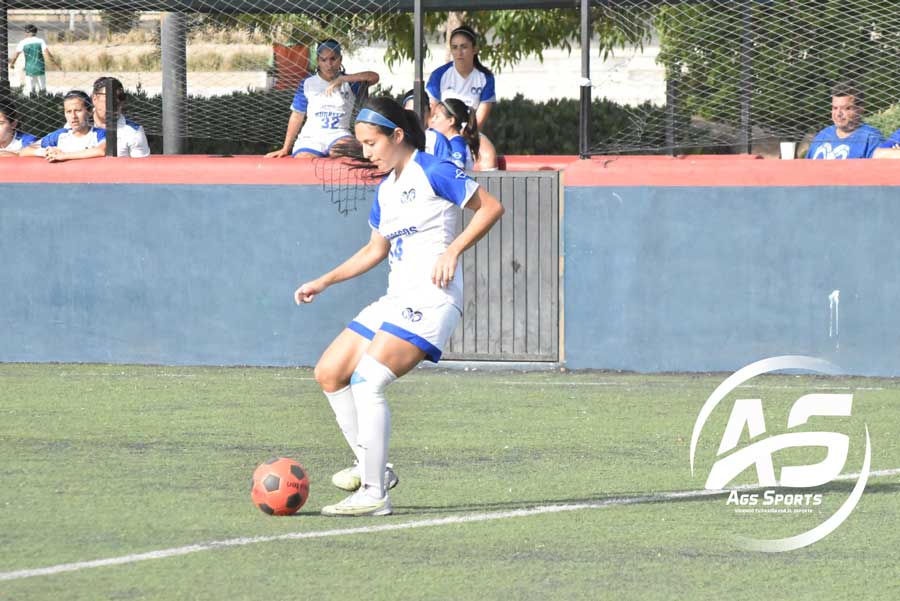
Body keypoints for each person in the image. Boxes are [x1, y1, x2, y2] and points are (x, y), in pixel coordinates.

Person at [295, 96, 504, 517]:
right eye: (362, 146)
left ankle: (374, 493)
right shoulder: (386, 190)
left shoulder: (433, 169)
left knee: (367, 381)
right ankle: (375, 467)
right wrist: (324, 280)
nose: (367, 154)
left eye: (372, 143)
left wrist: (453, 251)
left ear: (397, 135)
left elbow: (491, 208)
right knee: (330, 372)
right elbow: (374, 250)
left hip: (431, 300)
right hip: (396, 300)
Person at [266, 39, 379, 159]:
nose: (329, 64)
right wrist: (285, 148)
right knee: (304, 159)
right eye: (324, 59)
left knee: (347, 157)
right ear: (318, 61)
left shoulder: (350, 82)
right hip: (311, 137)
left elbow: (374, 77)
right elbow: (297, 115)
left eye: (333, 59)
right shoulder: (308, 83)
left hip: (339, 135)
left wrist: (342, 79)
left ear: (340, 60)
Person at [425, 26, 498, 170]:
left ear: (475, 49)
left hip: (470, 131)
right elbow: (431, 113)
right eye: (455, 47)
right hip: (441, 129)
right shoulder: (439, 75)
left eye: (464, 47)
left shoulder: (485, 78)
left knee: (488, 154)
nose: (459, 52)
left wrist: (464, 135)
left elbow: (480, 117)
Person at [20, 90, 106, 162]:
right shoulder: (60, 135)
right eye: (68, 112)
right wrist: (45, 152)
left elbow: (101, 150)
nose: (73, 116)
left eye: (78, 111)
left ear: (89, 111)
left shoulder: (100, 134)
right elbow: (24, 151)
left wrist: (64, 155)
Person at [806, 83, 882, 159]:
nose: (838, 114)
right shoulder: (822, 135)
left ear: (860, 109)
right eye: (835, 108)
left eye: (846, 108)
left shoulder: (871, 138)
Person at [91, 77, 150, 158]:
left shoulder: (133, 132)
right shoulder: (75, 125)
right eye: (109, 98)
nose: (116, 103)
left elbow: (142, 168)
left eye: (120, 98)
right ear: (94, 99)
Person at [8, 24, 61, 95]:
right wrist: (55, 64)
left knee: (31, 90)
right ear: (35, 32)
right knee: (42, 89)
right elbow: (48, 54)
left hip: (29, 69)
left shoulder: (23, 42)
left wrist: (12, 64)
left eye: (25, 32)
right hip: (40, 68)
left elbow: (16, 55)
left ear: (27, 32)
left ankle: (33, 102)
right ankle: (43, 102)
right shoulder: (40, 41)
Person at [429, 98, 479, 170]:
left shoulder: (456, 145)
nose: (433, 120)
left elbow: (453, 172)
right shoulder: (448, 143)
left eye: (437, 116)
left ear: (451, 121)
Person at [402, 89, 451, 162]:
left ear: (429, 111)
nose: (416, 116)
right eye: (411, 112)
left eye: (422, 111)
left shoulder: (437, 140)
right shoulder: (398, 136)